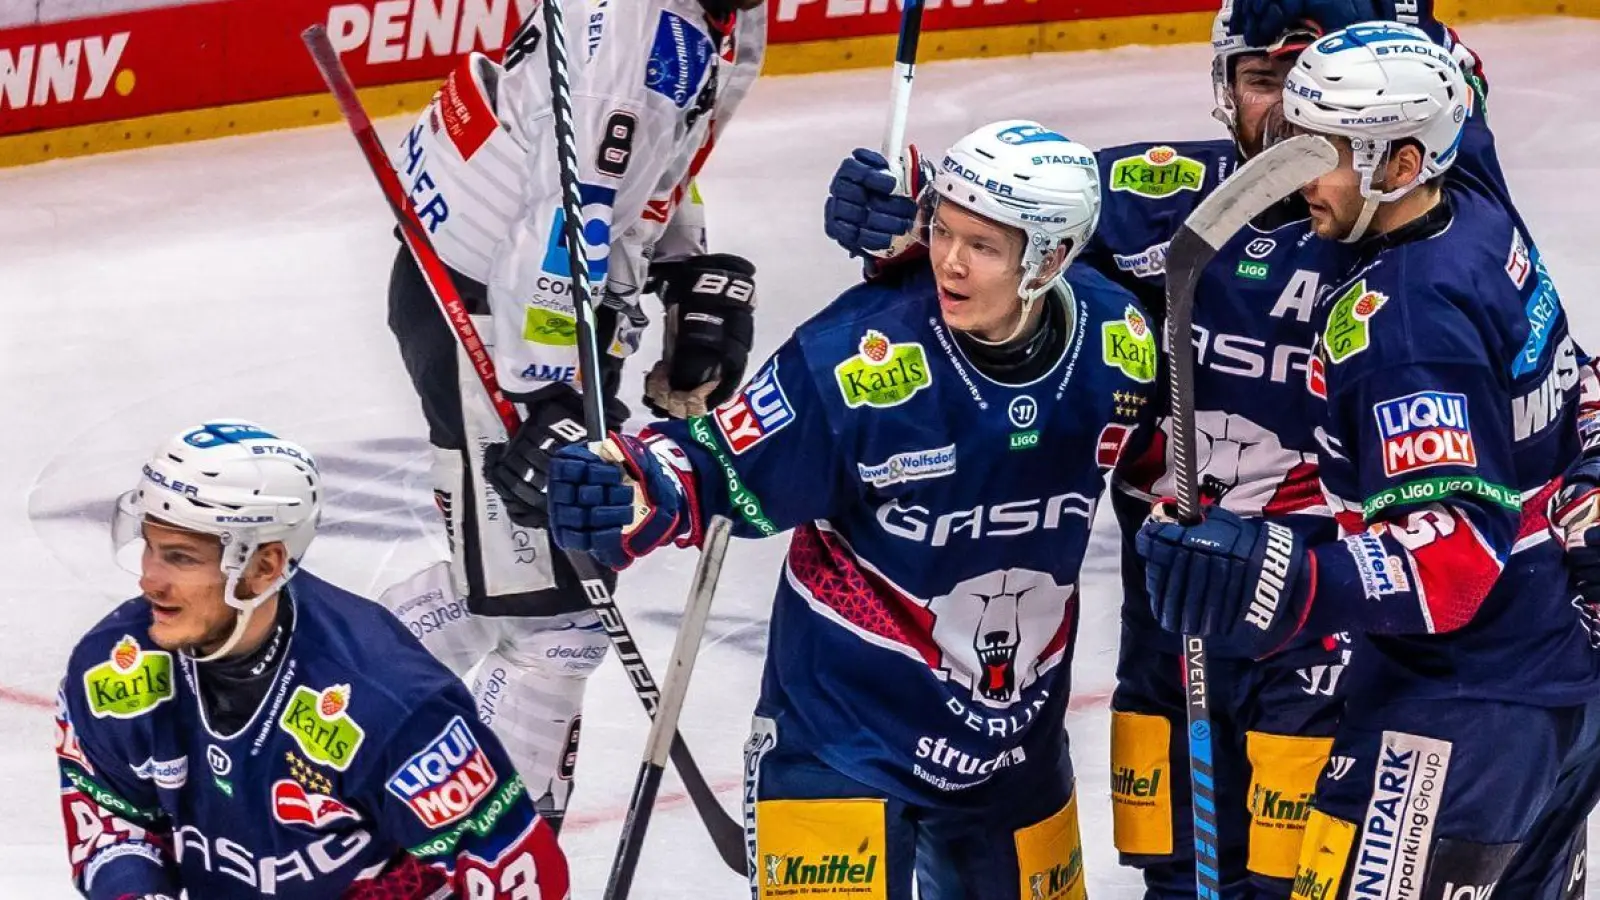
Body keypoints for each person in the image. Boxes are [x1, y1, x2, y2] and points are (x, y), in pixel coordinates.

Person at [491, 119, 1154, 899]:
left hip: (1015, 752)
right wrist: (624, 487)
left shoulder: (1121, 343)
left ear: (1051, 258)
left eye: (983, 245)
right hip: (843, 738)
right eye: (941, 228)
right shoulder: (858, 360)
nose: (948, 259)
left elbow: (1166, 471)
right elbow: (714, 467)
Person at [1136, 23, 1600, 896]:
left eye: (1329, 152)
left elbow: (1456, 554)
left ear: (1399, 165)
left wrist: (1280, 577)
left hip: (1463, 714)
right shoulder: (1471, 200)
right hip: (1550, 681)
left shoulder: (1408, 327)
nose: (1299, 169)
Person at [379, 0, 766, 830]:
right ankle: (487, 843)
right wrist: (545, 398)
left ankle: (324, 688)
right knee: (556, 620)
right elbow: (561, 211)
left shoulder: (712, 18)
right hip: (492, 307)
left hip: (541, 299)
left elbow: (653, 162)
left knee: (533, 589)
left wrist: (685, 265)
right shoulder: (637, 32)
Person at [55, 421, 568, 899]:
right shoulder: (116, 667)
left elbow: (523, 877)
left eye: (181, 557)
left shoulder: (392, 706)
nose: (149, 579)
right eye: (149, 546)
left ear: (265, 565)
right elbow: (113, 822)